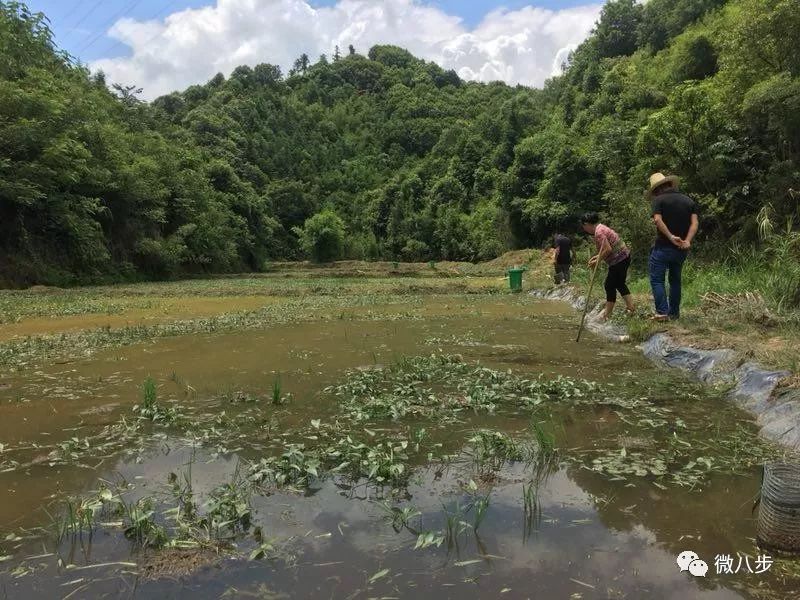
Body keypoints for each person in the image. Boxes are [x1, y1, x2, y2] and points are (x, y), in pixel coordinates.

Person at [647, 172, 698, 321]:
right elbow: (695, 223)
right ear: (670, 184)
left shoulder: (658, 200)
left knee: (657, 280)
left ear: (657, 189)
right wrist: (687, 240)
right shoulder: (689, 201)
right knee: (675, 280)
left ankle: (662, 312)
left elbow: (657, 220)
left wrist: (670, 236)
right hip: (681, 249)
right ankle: (674, 314)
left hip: (663, 247)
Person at [580, 212, 634, 321]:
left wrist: (598, 261)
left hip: (619, 259)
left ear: (586, 224)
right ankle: (631, 307)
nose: (585, 230)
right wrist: (596, 257)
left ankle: (606, 315)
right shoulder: (601, 227)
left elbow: (608, 249)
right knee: (619, 283)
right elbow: (605, 249)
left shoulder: (599, 232)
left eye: (584, 227)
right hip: (623, 257)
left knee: (609, 285)